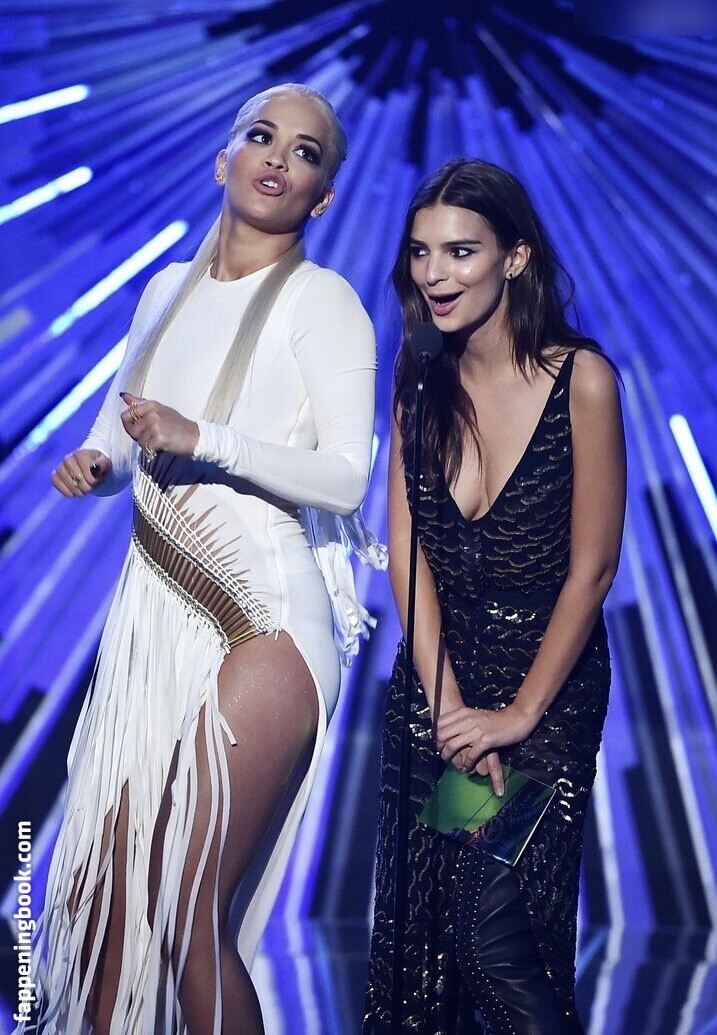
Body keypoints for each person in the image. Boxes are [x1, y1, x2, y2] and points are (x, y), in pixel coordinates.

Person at [26, 83, 378, 1035]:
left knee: (186, 912)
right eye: (261, 136)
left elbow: (346, 479)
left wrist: (204, 436)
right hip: (158, 627)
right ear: (224, 159)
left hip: (264, 622)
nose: (278, 157)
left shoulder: (323, 302)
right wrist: (96, 464)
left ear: (322, 198)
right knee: (102, 908)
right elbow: (120, 441)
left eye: (305, 152)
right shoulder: (162, 292)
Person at [363, 158, 626, 1034]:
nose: (434, 274)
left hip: (540, 705)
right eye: (420, 252)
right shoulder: (417, 379)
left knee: (493, 938)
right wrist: (449, 710)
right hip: (440, 695)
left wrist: (512, 717)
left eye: (460, 251)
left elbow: (592, 569)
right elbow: (407, 556)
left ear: (514, 258)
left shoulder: (581, 380)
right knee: (428, 954)